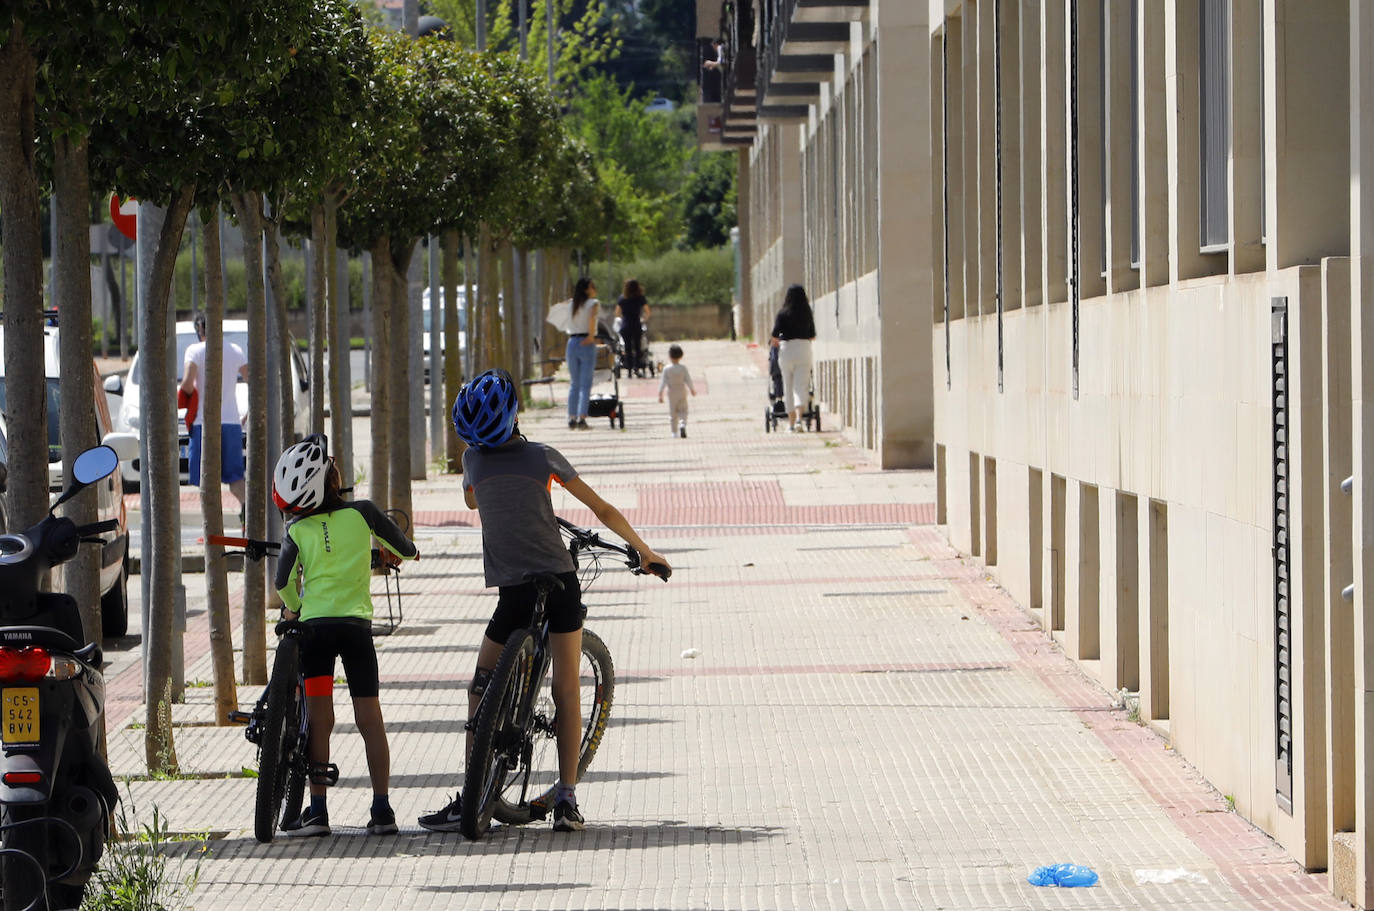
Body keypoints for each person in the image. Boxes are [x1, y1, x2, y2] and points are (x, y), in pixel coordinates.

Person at [419, 369, 669, 833]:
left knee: (479, 688)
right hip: (560, 584)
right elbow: (602, 511)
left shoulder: (473, 461)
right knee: (566, 690)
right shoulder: (543, 456)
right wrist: (645, 552)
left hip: (512, 592)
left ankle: (470, 797)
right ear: (514, 415)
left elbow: (474, 504)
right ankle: (567, 799)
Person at [271, 434, 419, 837]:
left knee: (320, 720)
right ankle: (382, 809)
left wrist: (297, 605)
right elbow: (406, 549)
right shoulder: (364, 513)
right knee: (370, 718)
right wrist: (394, 553)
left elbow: (282, 582)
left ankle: (317, 812)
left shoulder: (297, 529)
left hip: (315, 632)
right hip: (356, 632)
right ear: (337, 481)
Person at [179, 313, 248, 518]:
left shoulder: (195, 351)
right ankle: (247, 514)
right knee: (235, 478)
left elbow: (187, 384)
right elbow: (253, 379)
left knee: (206, 481)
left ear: (199, 329)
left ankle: (211, 526)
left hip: (203, 423)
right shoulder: (235, 350)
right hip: (231, 422)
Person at [769, 284, 817, 432]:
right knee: (801, 386)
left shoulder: (782, 314)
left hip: (787, 351)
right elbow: (812, 335)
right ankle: (798, 420)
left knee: (787, 386)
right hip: (803, 349)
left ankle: (790, 424)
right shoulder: (807, 312)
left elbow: (774, 336)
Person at [565, 278, 600, 430]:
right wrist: (591, 337)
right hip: (586, 341)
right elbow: (592, 318)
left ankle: (571, 418)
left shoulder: (571, 304)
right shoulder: (593, 304)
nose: (594, 289)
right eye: (592, 286)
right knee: (585, 384)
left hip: (572, 342)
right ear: (587, 289)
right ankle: (582, 419)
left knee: (574, 383)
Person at [657, 344, 696, 438]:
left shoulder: (667, 369)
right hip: (682, 390)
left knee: (673, 412)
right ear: (681, 356)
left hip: (671, 391)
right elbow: (688, 380)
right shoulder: (683, 368)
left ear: (669, 356)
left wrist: (660, 394)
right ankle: (682, 424)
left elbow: (663, 382)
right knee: (683, 409)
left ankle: (674, 432)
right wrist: (692, 389)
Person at [615, 279, 651, 375]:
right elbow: (647, 311)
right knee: (637, 347)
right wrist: (644, 319)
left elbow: (617, 313)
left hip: (625, 325)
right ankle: (637, 367)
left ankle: (629, 370)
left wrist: (622, 318)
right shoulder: (640, 298)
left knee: (627, 348)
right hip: (636, 324)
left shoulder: (622, 298)